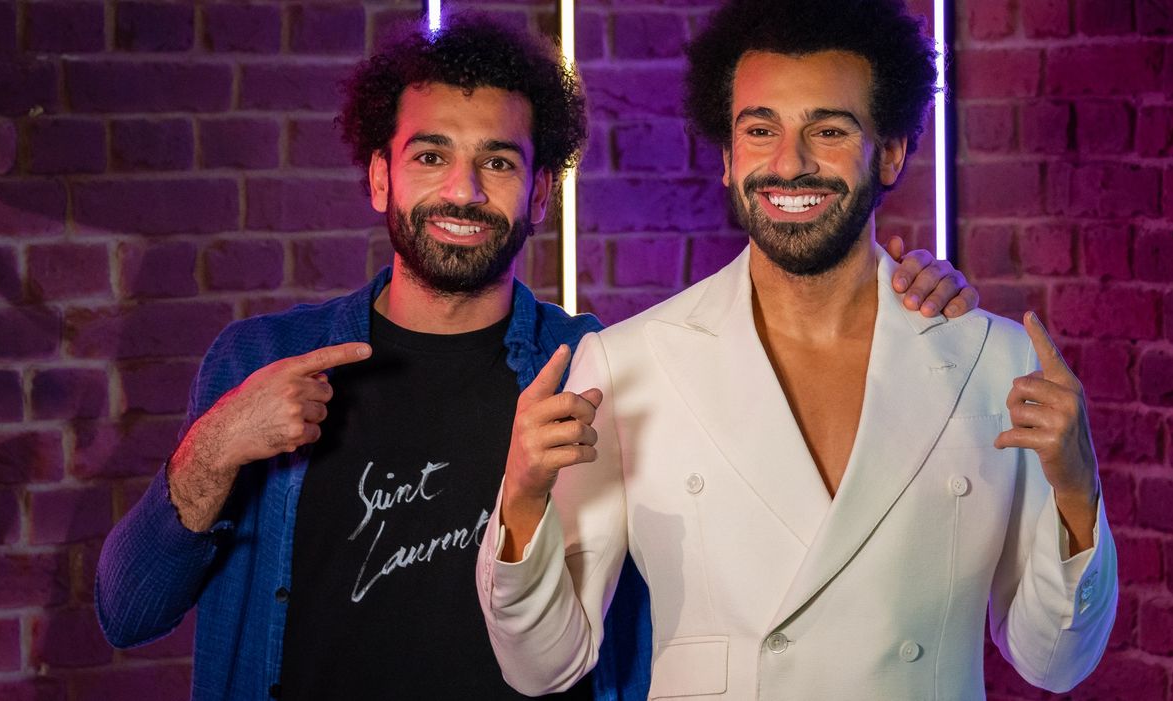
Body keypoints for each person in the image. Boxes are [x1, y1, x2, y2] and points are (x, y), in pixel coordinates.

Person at [94, 12, 976, 701]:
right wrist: (211, 449)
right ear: (378, 177)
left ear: (542, 193)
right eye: (430, 155)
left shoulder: (599, 365)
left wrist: (893, 307)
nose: (463, 191)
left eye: (500, 162)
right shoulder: (263, 357)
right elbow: (126, 612)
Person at [478, 1, 1118, 699]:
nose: (790, 162)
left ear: (893, 151)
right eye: (760, 129)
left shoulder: (994, 364)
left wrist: (1077, 490)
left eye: (830, 129)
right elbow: (542, 665)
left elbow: (1053, 661)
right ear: (726, 157)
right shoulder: (627, 365)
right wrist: (520, 498)